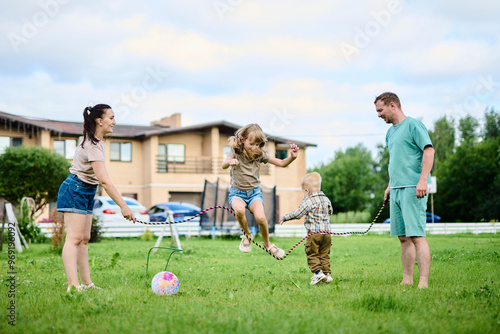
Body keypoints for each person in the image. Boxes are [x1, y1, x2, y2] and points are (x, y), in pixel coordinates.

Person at [57, 104, 136, 292]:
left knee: (84, 239)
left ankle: (86, 284)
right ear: (99, 121)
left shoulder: (98, 142)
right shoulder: (92, 144)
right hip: (75, 188)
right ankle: (73, 286)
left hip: (87, 189)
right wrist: (123, 206)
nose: (114, 122)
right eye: (111, 118)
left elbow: (99, 181)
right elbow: (105, 182)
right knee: (74, 239)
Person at [374, 92, 435, 289]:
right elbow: (396, 160)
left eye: (380, 110)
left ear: (393, 105)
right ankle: (407, 279)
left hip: (413, 188)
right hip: (397, 189)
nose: (378, 115)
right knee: (403, 238)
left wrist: (423, 180)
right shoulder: (390, 132)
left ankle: (423, 282)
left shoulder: (413, 125)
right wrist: (390, 185)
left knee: (417, 236)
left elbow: (429, 150)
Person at [222, 123, 299, 259]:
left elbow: (281, 163)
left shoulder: (260, 154)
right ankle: (246, 236)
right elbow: (223, 165)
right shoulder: (235, 151)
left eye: (258, 144)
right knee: (239, 210)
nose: (255, 147)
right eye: (252, 144)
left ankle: (268, 245)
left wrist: (292, 157)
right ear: (242, 139)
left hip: (254, 193)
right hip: (237, 193)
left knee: (261, 218)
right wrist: (230, 162)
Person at [279, 172, 334, 285]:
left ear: (307, 191)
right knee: (324, 254)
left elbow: (298, 214)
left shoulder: (308, 200)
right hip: (327, 233)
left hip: (314, 233)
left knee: (312, 253)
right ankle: (327, 274)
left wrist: (285, 218)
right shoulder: (326, 199)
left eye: (303, 192)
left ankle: (318, 273)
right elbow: (330, 212)